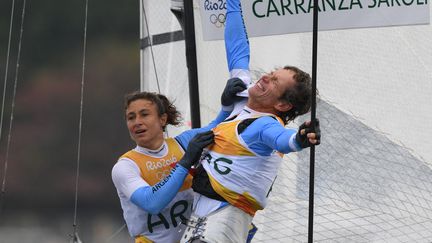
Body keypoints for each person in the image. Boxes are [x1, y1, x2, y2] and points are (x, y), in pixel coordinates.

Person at [180, 0, 321, 242]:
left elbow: (282, 141)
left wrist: (299, 139)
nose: (265, 77)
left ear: (282, 105)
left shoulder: (267, 124)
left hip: (221, 221)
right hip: (200, 217)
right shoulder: (243, 97)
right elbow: (237, 48)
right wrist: (233, 4)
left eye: (275, 82)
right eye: (272, 73)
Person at [111, 86, 244, 243]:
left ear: (163, 119)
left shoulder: (183, 143)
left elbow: (220, 127)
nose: (137, 122)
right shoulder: (125, 166)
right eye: (131, 117)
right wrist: (185, 162)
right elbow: (152, 203)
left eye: (144, 115)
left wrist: (228, 105)